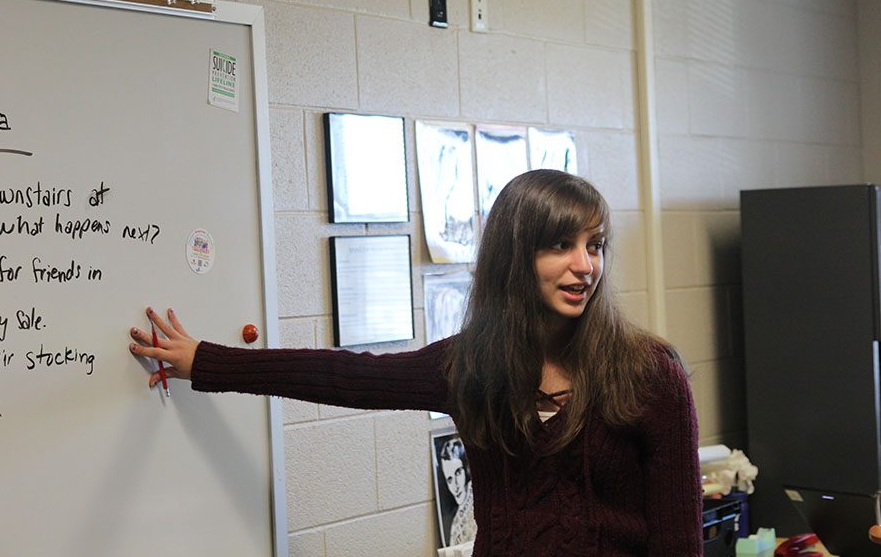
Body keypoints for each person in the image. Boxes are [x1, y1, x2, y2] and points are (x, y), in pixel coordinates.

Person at [129, 169, 703, 556]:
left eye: (595, 245)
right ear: (515, 255)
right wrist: (203, 361)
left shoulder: (648, 374)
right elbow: (345, 377)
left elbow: (680, 544)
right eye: (561, 245)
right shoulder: (470, 368)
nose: (585, 265)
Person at [436, 435, 477, 546]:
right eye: (449, 479)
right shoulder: (456, 526)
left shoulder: (483, 500)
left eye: (458, 473)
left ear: (467, 470)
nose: (456, 486)